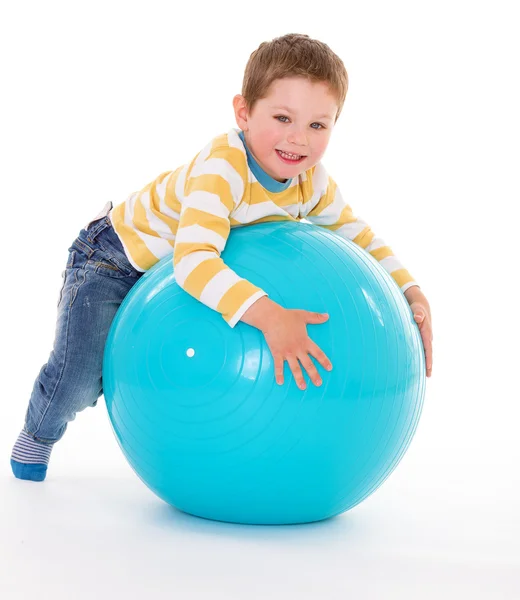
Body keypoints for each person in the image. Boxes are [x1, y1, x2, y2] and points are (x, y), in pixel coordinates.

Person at [10, 33, 433, 482]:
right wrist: (269, 315)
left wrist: (409, 288)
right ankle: (38, 433)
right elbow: (193, 262)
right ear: (243, 112)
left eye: (317, 125)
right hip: (115, 260)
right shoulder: (224, 167)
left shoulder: (312, 181)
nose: (298, 139)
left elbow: (355, 234)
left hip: (176, 271)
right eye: (282, 117)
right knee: (81, 376)